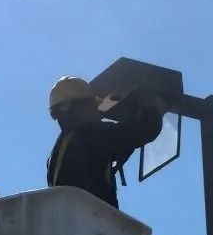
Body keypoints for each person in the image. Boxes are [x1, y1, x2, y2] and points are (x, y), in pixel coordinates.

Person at [46, 76, 165, 209]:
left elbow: (104, 160)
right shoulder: (90, 135)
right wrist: (154, 106)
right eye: (91, 106)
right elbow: (145, 129)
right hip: (92, 220)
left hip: (74, 222)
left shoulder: (58, 154)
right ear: (70, 107)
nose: (97, 112)